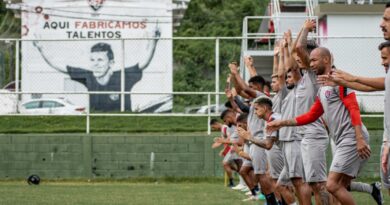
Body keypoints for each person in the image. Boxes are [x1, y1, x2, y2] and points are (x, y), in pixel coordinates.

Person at [267, 47, 371, 205]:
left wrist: (359, 138)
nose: (311, 64)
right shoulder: (323, 86)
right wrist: (282, 123)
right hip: (342, 139)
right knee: (340, 185)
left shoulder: (338, 79)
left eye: (314, 60)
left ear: (326, 60)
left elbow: (354, 108)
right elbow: (311, 115)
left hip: (351, 137)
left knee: (331, 185)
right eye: (310, 61)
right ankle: (372, 190)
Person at [33, 28, 160, 111]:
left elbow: (143, 63)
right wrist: (41, 48)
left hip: (120, 121)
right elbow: (59, 66)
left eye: (100, 60)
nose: (95, 64)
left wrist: (154, 42)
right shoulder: (88, 76)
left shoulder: (123, 76)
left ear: (111, 63)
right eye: (93, 60)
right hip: (96, 121)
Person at [240, 97, 296, 205]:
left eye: (256, 109)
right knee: (282, 185)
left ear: (265, 108)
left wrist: (249, 137)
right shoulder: (272, 119)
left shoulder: (273, 120)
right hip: (291, 153)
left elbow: (268, 145)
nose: (254, 113)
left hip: (294, 153)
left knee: (295, 185)